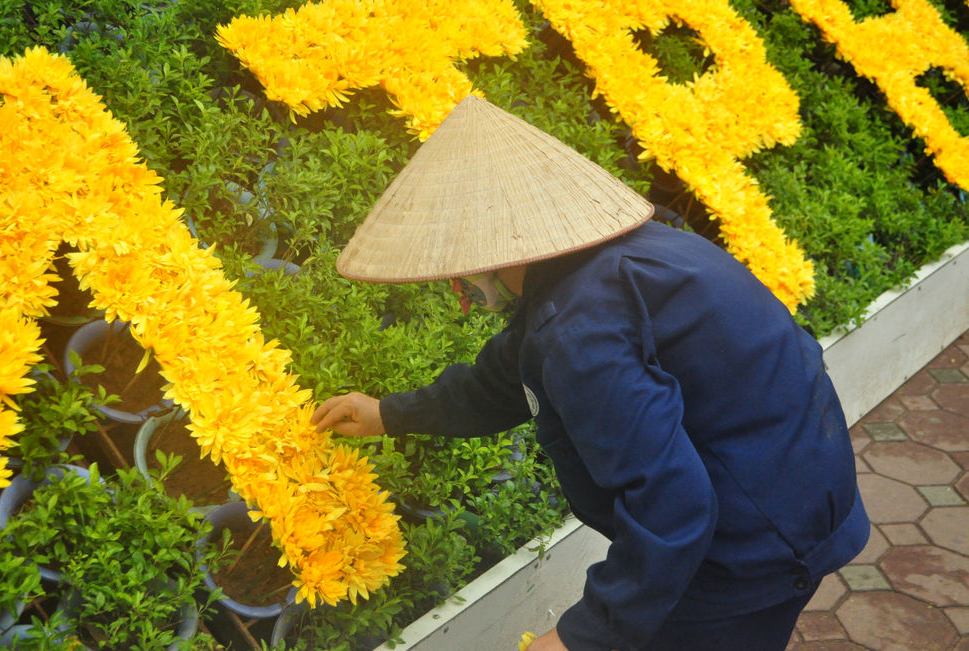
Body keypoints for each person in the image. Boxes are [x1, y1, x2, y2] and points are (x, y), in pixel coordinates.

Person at [311, 95, 869, 650]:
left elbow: (673, 507)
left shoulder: (581, 325)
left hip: (756, 544)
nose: (460, 289)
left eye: (461, 271)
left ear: (499, 248)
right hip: (794, 494)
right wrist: (390, 413)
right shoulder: (604, 264)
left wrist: (583, 635)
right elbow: (510, 377)